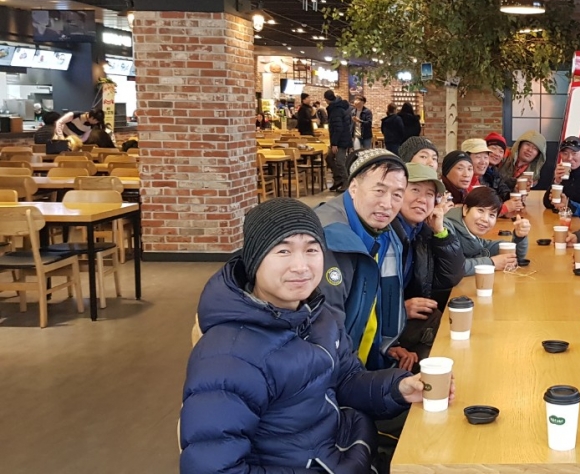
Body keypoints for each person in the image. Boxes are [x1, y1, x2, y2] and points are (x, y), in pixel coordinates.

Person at [180, 198, 446, 473]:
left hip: (350, 450)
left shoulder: (317, 315)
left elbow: (347, 380)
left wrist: (399, 388)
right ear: (254, 259)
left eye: (311, 250)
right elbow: (214, 467)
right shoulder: (228, 357)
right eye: (283, 251)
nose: (301, 266)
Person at [315, 149, 411, 370]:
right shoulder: (328, 239)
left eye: (397, 195)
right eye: (379, 191)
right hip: (336, 375)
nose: (387, 204)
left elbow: (370, 305)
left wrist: (383, 347)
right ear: (353, 188)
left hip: (364, 362)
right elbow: (326, 335)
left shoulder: (384, 233)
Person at [391, 163, 465, 362]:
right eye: (415, 190)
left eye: (429, 194)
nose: (422, 199)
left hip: (404, 322)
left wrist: (440, 232)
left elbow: (451, 276)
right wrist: (399, 310)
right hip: (386, 331)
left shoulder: (421, 232)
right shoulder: (385, 233)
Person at [443, 187, 531, 276]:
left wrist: (519, 237)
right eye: (480, 210)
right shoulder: (446, 229)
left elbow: (512, 256)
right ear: (465, 209)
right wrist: (492, 263)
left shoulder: (472, 237)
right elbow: (451, 268)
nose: (485, 219)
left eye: (492, 215)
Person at [543, 136, 580, 210]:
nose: (569, 158)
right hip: (561, 216)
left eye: (574, 153)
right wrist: (556, 182)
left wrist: (567, 204)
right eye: (565, 153)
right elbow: (548, 204)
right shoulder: (561, 173)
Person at [462, 138, 520, 213]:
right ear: (466, 159)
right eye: (478, 157)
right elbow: (474, 211)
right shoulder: (462, 180)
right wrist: (505, 208)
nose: (483, 162)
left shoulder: (477, 178)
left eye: (486, 157)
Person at [325, 89, 354, 192]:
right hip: (340, 139)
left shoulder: (336, 110)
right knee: (329, 158)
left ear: (326, 99)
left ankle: (346, 182)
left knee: (340, 162)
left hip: (341, 140)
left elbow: (338, 128)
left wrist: (334, 144)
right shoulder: (337, 108)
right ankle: (338, 179)